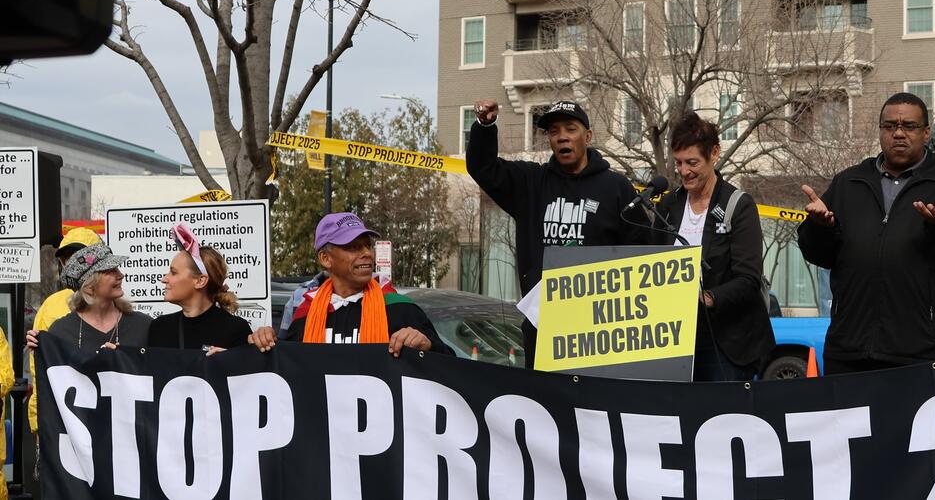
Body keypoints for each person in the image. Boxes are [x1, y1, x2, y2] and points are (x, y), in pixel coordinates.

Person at [799, 92, 935, 373]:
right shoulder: (849, 183)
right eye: (889, 126)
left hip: (926, 355)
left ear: (926, 132)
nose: (898, 133)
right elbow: (817, 254)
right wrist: (820, 227)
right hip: (850, 352)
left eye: (909, 126)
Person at [467, 99, 647, 367]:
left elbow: (642, 252)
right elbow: (484, 168)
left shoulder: (616, 188)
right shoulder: (531, 183)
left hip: (599, 332)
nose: (562, 136)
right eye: (554, 132)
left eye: (570, 129)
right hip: (544, 327)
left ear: (587, 136)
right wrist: (485, 126)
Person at [653, 113, 775, 381]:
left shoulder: (738, 204)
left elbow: (748, 278)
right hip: (675, 340)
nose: (684, 171)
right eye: (679, 163)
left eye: (692, 162)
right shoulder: (668, 205)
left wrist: (705, 298)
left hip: (727, 344)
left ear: (714, 154)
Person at [275, 212, 449, 356]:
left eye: (367, 245)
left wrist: (428, 346)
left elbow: (451, 368)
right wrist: (263, 344)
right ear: (325, 258)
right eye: (353, 247)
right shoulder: (305, 312)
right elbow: (285, 367)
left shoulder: (400, 309)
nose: (367, 253)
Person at [28, 227, 97, 435]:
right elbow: (38, 367)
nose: (72, 264)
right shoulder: (51, 305)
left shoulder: (111, 301)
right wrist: (39, 421)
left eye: (80, 257)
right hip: (59, 417)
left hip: (102, 414)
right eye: (67, 258)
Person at [28, 242, 152, 354]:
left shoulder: (144, 326)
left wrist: (126, 360)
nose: (120, 275)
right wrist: (41, 347)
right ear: (89, 287)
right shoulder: (61, 331)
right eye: (110, 271)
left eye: (117, 269)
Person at [146, 224, 253, 352]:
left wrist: (228, 360)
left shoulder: (235, 329)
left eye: (173, 272)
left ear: (200, 281)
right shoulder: (159, 328)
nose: (164, 279)